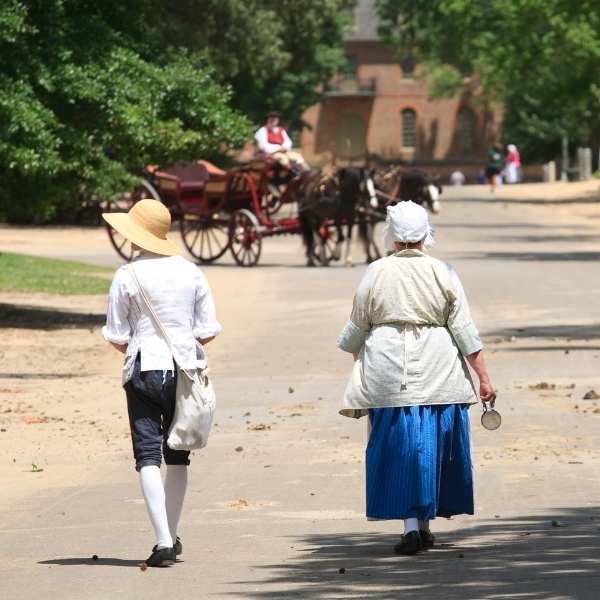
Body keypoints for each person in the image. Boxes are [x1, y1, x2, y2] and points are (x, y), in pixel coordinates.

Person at [337, 201, 496, 556]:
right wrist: (483, 377)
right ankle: (422, 526)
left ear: (392, 237)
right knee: (431, 447)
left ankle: (412, 527)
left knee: (402, 447)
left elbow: (357, 328)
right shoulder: (445, 272)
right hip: (441, 371)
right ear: (426, 234)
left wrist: (361, 362)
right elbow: (465, 330)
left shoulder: (375, 272)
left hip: (388, 371)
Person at [102, 199, 221, 567]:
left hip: (144, 368)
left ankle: (164, 541)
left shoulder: (127, 274)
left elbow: (116, 334)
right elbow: (207, 331)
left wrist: (140, 343)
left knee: (147, 456)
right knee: (178, 454)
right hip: (184, 370)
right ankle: (170, 535)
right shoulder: (191, 271)